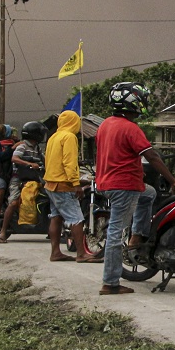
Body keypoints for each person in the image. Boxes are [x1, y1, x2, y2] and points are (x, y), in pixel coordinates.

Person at [95, 82, 175, 295]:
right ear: (134, 102)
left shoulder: (106, 124)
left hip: (109, 183)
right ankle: (110, 282)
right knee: (116, 233)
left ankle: (137, 235)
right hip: (124, 186)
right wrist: (173, 180)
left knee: (150, 194)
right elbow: (152, 156)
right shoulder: (130, 128)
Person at [43, 110, 99, 263]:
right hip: (64, 185)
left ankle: (55, 252)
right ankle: (81, 254)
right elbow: (69, 162)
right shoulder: (69, 137)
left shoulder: (53, 136)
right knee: (77, 219)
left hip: (50, 183)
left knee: (56, 217)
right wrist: (76, 184)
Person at [0, 121, 46, 243]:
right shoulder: (22, 146)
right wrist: (30, 164)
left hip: (34, 178)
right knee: (14, 202)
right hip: (18, 178)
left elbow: (45, 161)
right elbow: (14, 158)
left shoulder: (37, 149)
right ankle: (3, 232)